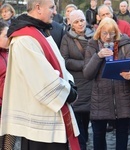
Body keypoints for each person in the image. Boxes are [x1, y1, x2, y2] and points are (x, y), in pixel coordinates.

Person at [0, 0, 80, 150]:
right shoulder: (24, 38)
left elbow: (59, 62)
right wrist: (69, 92)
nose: (55, 12)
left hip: (49, 113)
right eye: (51, 7)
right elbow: (41, 78)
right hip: (40, 119)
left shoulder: (37, 31)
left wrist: (69, 84)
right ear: (38, 7)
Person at [83, 17, 130, 150]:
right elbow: (87, 74)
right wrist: (98, 56)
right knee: (99, 137)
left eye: (112, 33)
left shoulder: (125, 45)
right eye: (105, 33)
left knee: (123, 137)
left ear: (116, 32)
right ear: (99, 32)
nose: (108, 37)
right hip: (100, 99)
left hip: (122, 98)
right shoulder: (92, 46)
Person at [60, 9, 94, 150]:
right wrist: (85, 64)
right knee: (78, 120)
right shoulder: (67, 38)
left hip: (93, 83)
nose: (80, 24)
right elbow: (64, 60)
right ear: (71, 24)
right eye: (76, 22)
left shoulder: (94, 36)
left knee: (88, 120)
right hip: (78, 85)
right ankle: (81, 146)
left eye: (82, 20)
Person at [0, 20, 16, 150]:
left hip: (11, 108)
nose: (10, 38)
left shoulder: (10, 52)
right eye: (6, 35)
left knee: (9, 146)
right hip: (2, 108)